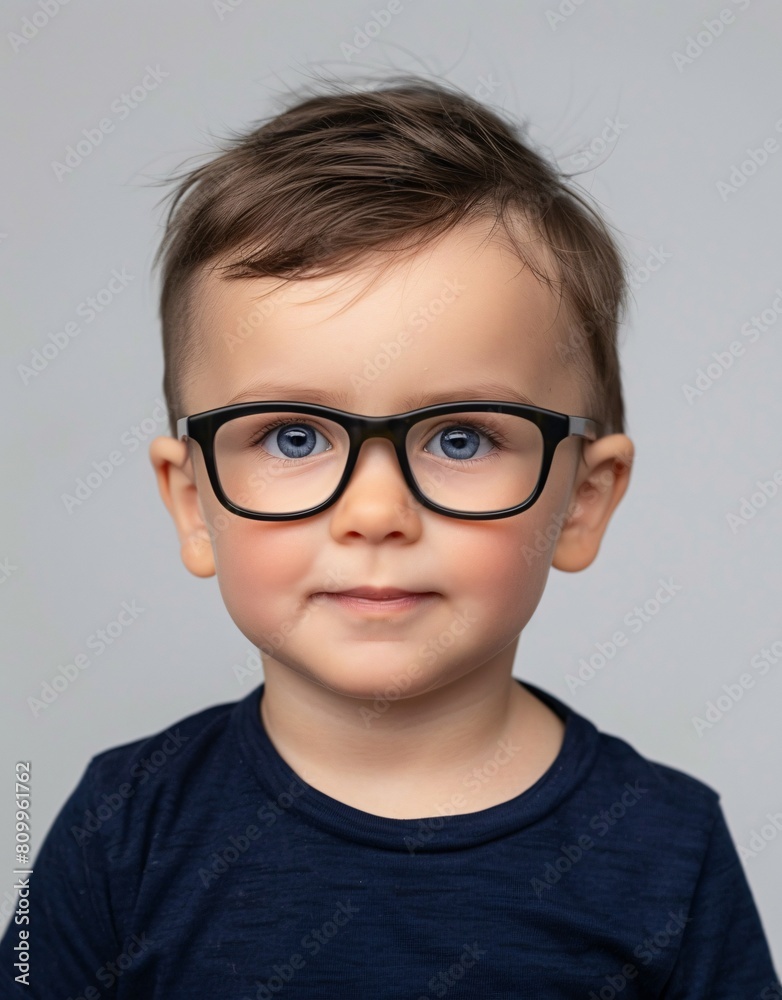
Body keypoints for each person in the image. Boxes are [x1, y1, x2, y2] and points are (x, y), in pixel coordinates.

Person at [1, 76, 778, 998]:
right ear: (192, 500)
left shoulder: (667, 846)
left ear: (582, 500)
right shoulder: (122, 826)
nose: (374, 512)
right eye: (293, 436)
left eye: (461, 438)